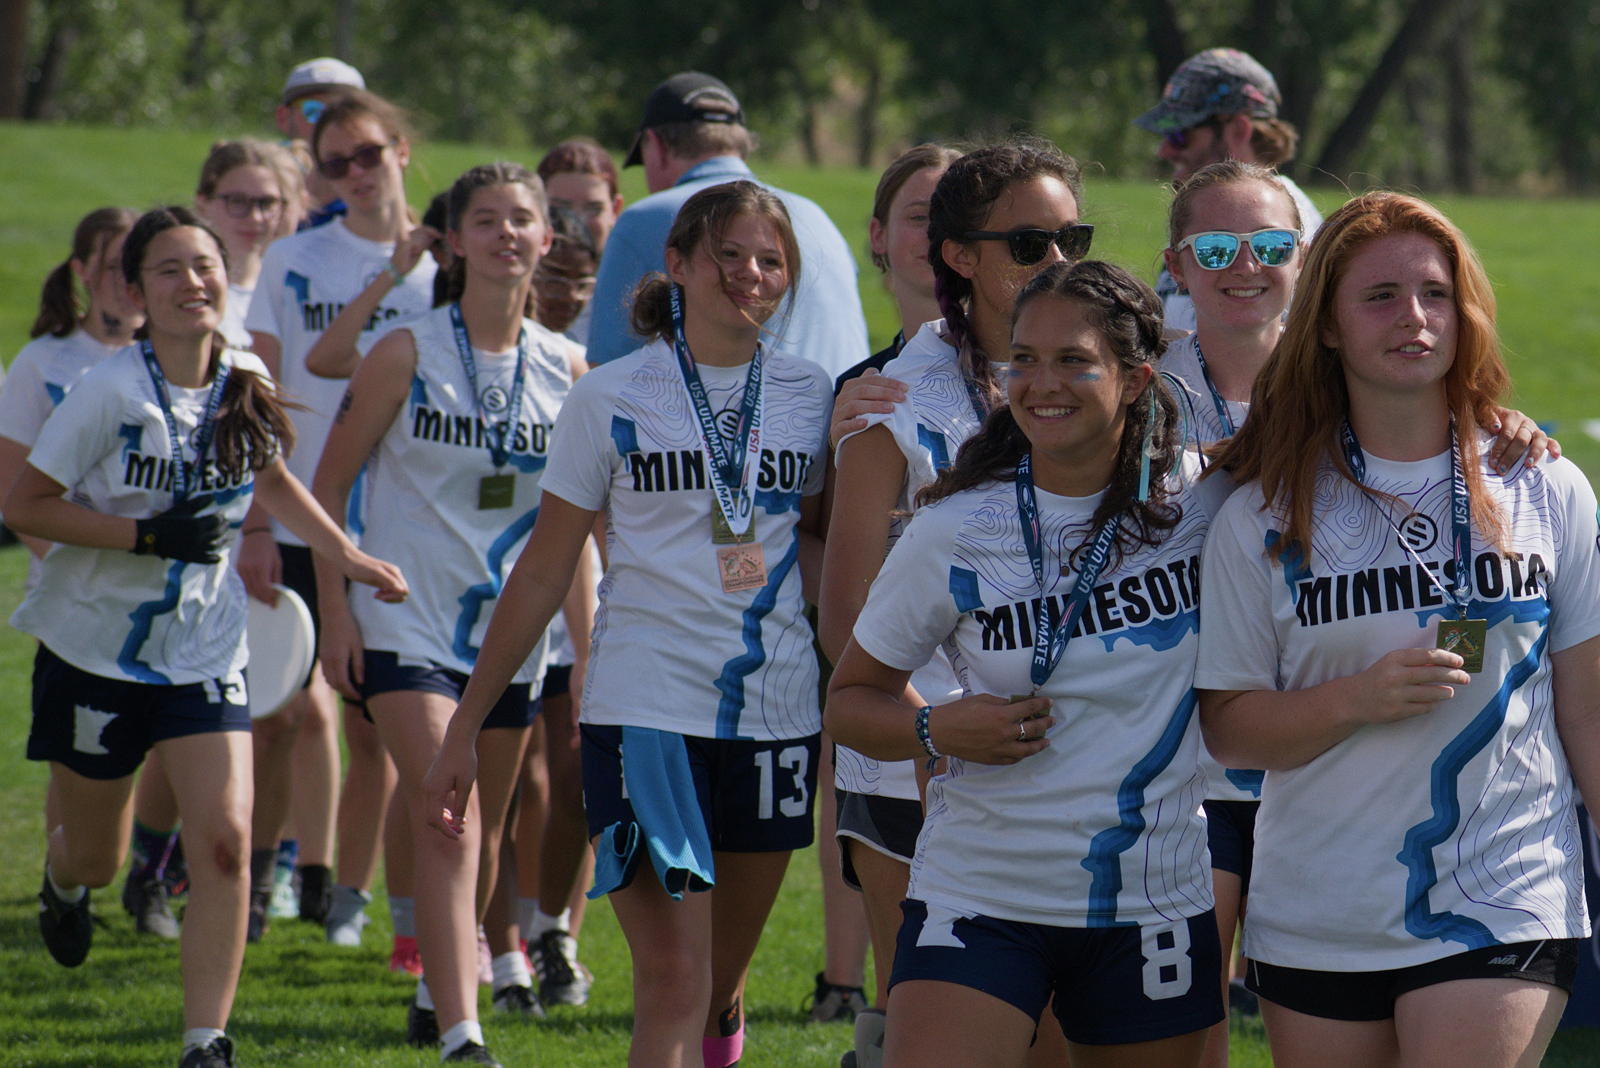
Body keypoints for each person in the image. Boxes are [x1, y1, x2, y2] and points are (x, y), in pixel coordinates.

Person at [423, 179, 832, 1068]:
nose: (751, 275)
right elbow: (541, 571)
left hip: (780, 715)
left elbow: (831, 544)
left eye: (771, 260)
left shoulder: (818, 397)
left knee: (721, 982)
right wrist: (465, 724)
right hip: (646, 709)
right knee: (676, 977)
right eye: (729, 255)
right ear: (678, 265)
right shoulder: (607, 396)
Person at [1196, 191, 1600, 1067]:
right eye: (1379, 296)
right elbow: (1229, 727)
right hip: (1320, 904)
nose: (1413, 317)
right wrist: (1355, 699)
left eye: (1436, 293)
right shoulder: (1261, 514)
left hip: (1507, 889)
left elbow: (1590, 714)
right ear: (1330, 326)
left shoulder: (1544, 487)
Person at [10, 205, 405, 1068]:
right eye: (169, 270)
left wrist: (347, 554)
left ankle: (205, 1043)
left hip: (203, 648)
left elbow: (273, 476)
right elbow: (24, 505)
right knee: (97, 857)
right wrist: (146, 537)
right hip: (94, 652)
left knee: (223, 839)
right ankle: (62, 882)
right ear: (135, 292)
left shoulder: (244, 373)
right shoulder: (107, 392)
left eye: (205, 267)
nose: (193, 282)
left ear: (226, 278)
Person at [827, 259, 1226, 1068]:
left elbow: (1350, 437)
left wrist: (1501, 428)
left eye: (1075, 360)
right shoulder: (956, 528)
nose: (1043, 383)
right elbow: (848, 704)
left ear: (1137, 376)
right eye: (1025, 360)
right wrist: (936, 728)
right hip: (981, 894)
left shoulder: (1204, 504)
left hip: (1152, 897)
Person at [311, 161, 584, 1064]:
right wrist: (337, 616)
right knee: (445, 811)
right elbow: (328, 486)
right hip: (404, 621)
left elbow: (577, 531)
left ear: (547, 240)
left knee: (489, 829)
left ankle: (437, 992)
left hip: (513, 640)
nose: (506, 234)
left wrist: (593, 643)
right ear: (455, 240)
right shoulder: (406, 352)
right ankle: (464, 1035)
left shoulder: (571, 370)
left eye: (522, 220)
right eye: (486, 219)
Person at [818, 138, 1079, 1068]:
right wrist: (938, 735)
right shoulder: (892, 400)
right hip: (913, 768)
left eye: (1070, 240)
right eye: (1029, 243)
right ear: (960, 257)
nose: (1056, 262)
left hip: (1072, 768)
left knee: (1058, 1046)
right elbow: (844, 617)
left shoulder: (1105, 381)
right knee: (940, 1039)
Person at [244, 88, 438, 944]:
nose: (356, 174)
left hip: (404, 524)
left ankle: (353, 905)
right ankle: (254, 879)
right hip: (297, 513)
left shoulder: (446, 263)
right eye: (336, 164)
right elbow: (256, 401)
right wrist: (255, 523)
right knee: (284, 713)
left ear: (401, 148)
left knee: (379, 725)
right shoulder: (295, 259)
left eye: (369, 154)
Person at [586, 71, 868, 378]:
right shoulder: (818, 217)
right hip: (843, 418)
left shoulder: (644, 219)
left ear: (655, 146)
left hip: (730, 422)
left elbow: (606, 375)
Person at [1133, 47, 1324, 333]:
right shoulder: (1210, 211)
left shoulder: (1280, 218)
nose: (1165, 149)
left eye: (1180, 134)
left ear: (1238, 130)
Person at [194, 142, 303, 391]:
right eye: (237, 201)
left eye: (266, 203)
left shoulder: (293, 290)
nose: (254, 217)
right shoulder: (188, 290)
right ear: (203, 203)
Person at [536, 138, 624, 346]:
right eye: (560, 207)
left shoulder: (627, 295)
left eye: (593, 209)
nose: (578, 220)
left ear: (615, 210)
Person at [275, 56, 365, 229]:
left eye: (343, 110)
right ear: (283, 118)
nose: (328, 122)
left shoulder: (371, 205)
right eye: (312, 109)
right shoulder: (258, 202)